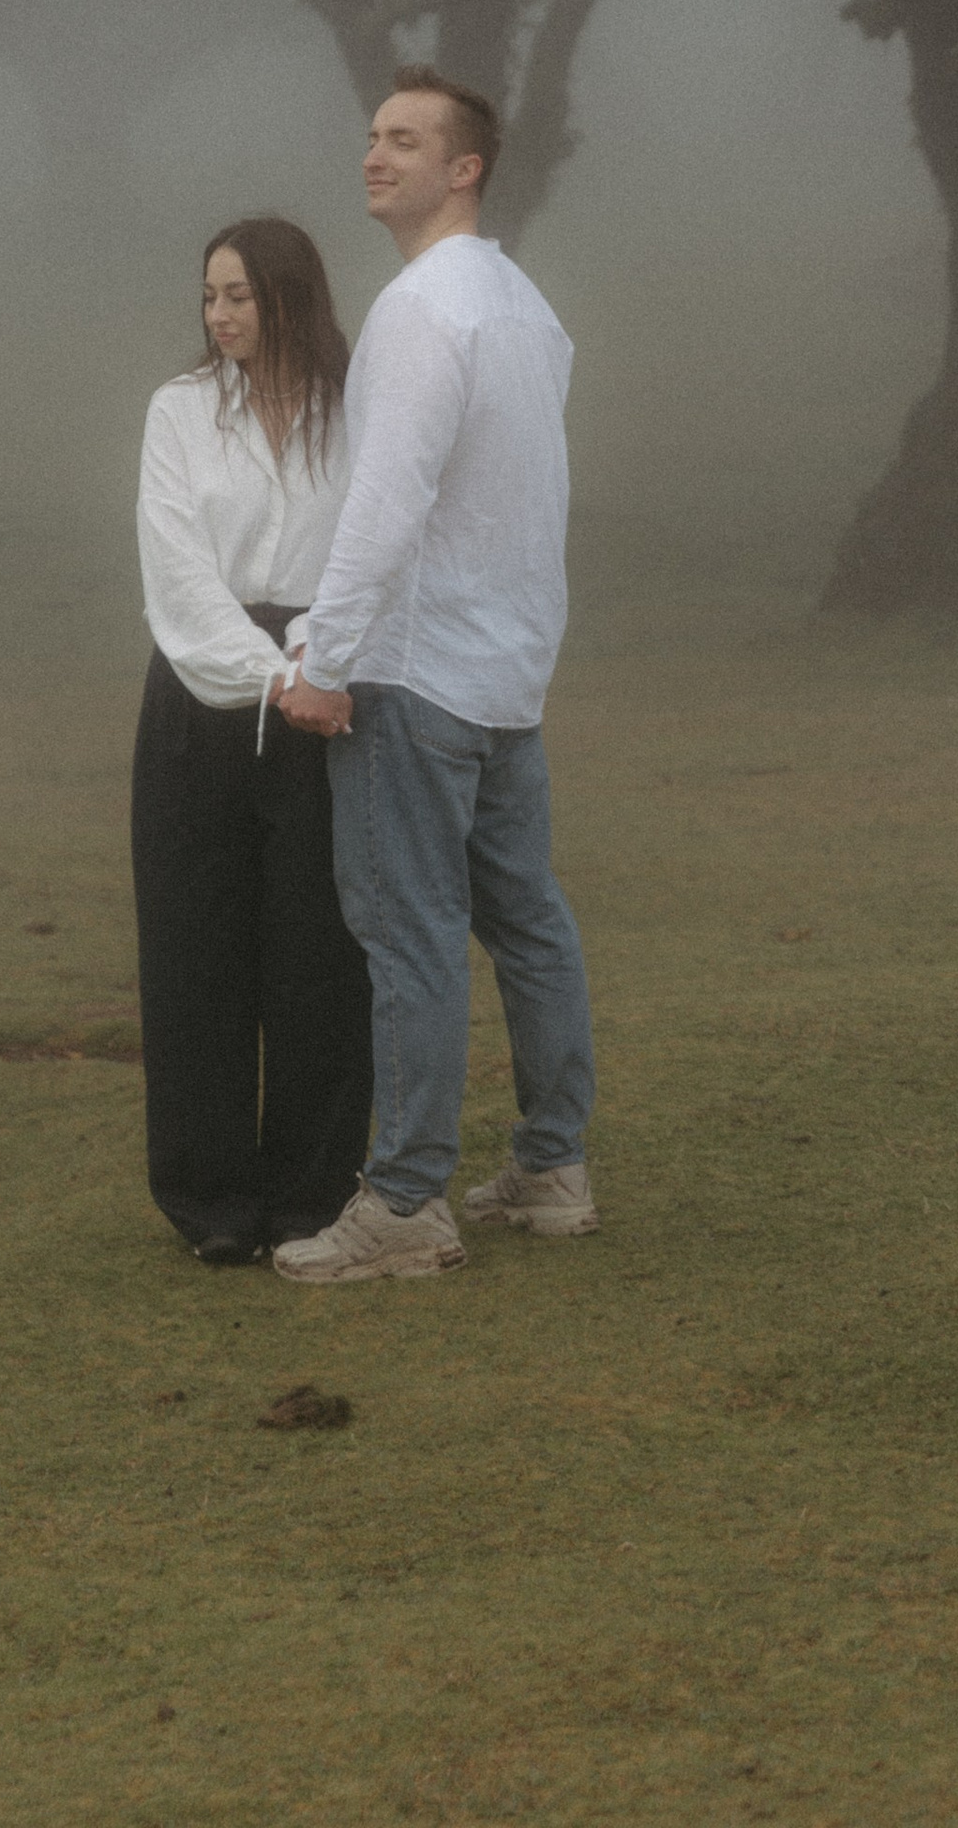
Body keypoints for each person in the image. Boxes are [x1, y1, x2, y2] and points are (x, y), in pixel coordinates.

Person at [270, 69, 598, 1284]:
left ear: (465, 168)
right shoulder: (523, 307)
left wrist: (326, 656)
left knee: (409, 935)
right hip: (506, 671)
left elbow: (388, 501)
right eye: (370, 135)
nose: (374, 155)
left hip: (417, 677)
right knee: (528, 923)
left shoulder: (423, 312)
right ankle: (552, 1168)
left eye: (404, 141)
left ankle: (405, 1202)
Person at [130, 216, 375, 1266]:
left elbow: (374, 538)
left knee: (320, 948)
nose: (220, 316)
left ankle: (313, 1192)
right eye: (209, 297)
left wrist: (318, 659)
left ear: (289, 299)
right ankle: (211, 1200)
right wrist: (275, 676)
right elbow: (175, 567)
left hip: (332, 679)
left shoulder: (355, 409)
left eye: (239, 296)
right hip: (206, 691)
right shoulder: (180, 412)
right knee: (196, 945)